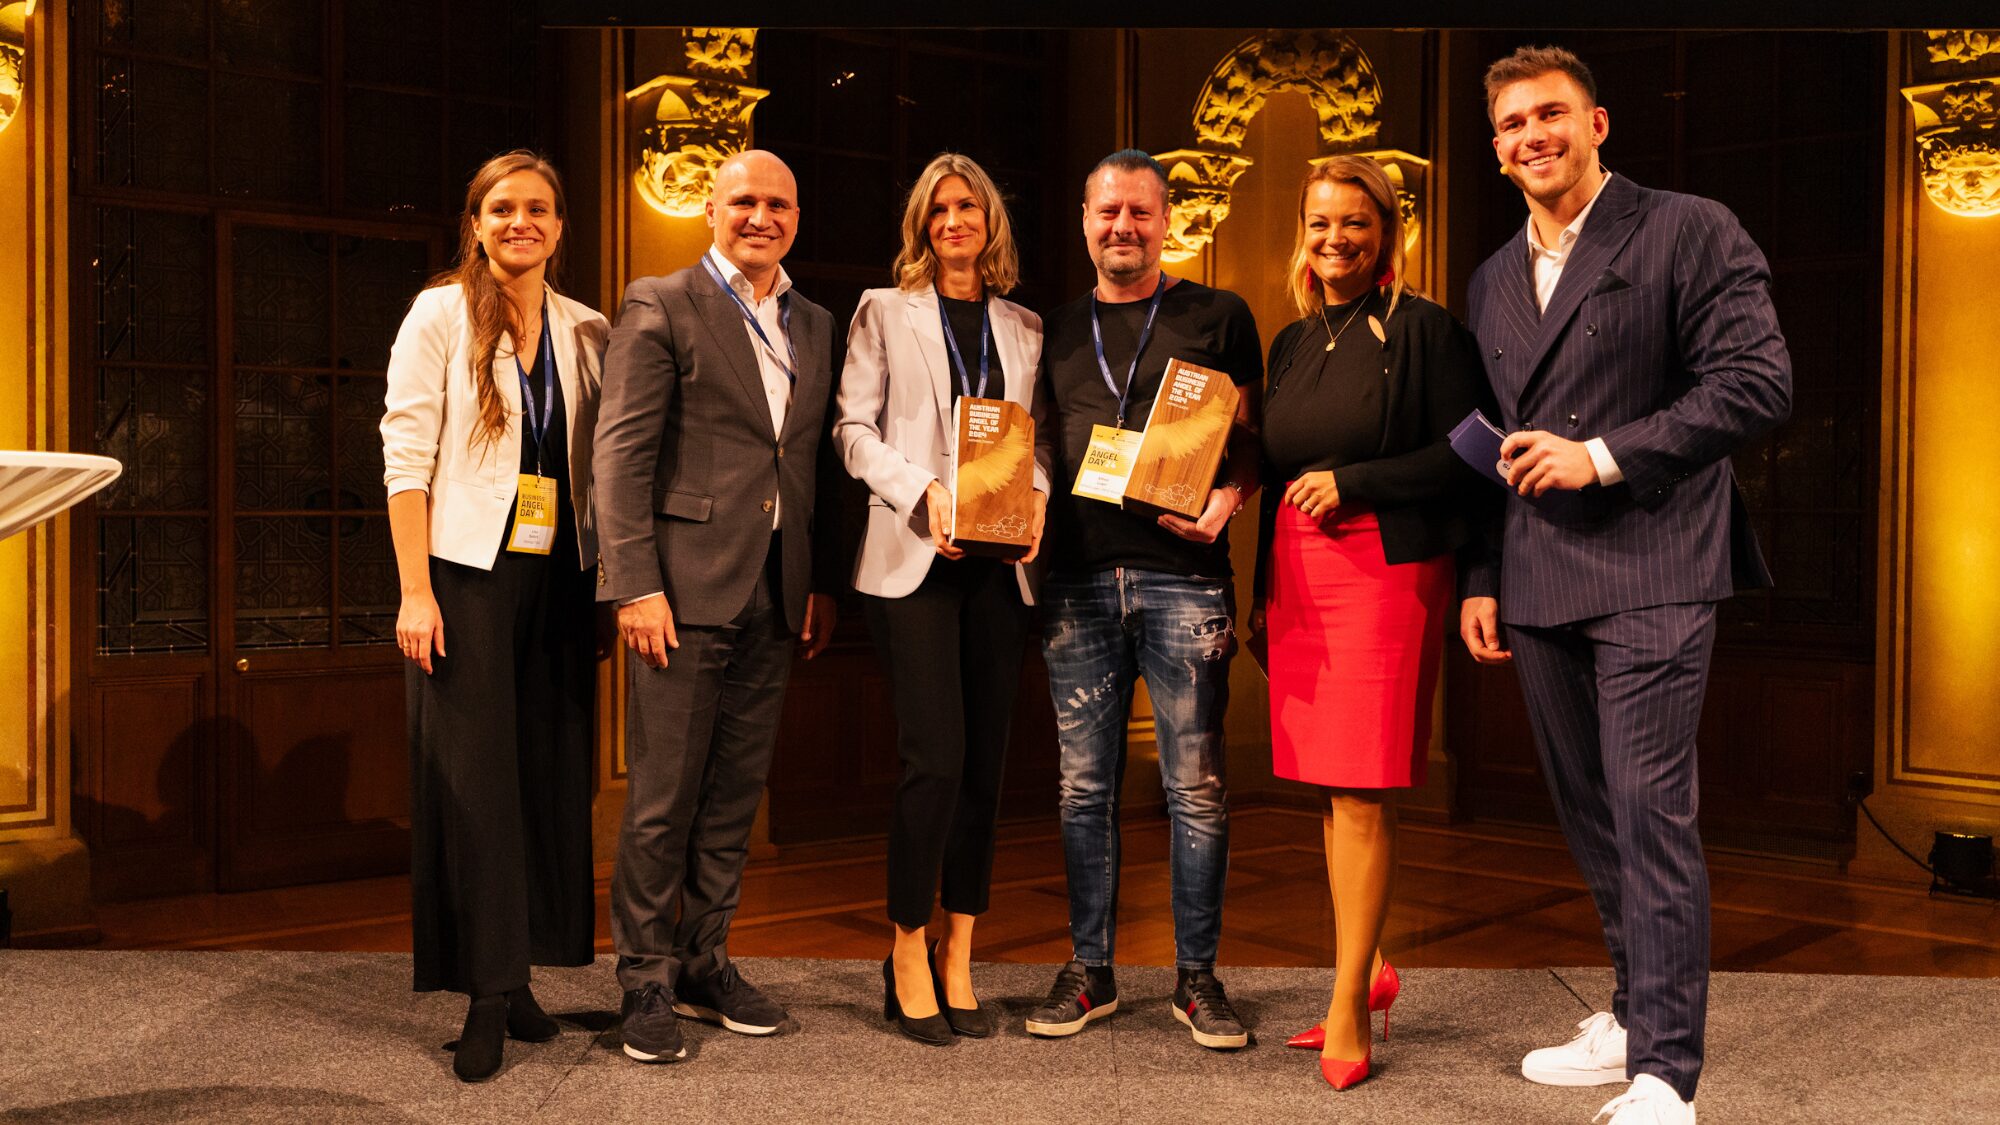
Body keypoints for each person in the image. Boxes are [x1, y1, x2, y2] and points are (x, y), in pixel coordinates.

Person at [1460, 46, 1791, 1125]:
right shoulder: (1491, 275)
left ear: (1596, 122)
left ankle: (1664, 1074)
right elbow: (1501, 442)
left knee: (1649, 814)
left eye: (1548, 114)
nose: (1529, 137)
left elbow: (1755, 383)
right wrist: (1479, 574)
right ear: (1496, 146)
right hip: (1537, 572)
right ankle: (1626, 1008)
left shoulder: (1687, 226)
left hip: (1651, 561)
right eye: (1510, 124)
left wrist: (1597, 454)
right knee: (1590, 813)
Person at [593, 149, 844, 1064]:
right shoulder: (661, 301)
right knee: (662, 797)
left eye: (777, 203)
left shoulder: (814, 322)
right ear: (711, 210)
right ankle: (646, 977)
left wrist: (817, 580)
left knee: (735, 794)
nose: (760, 216)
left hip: (776, 590)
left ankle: (706, 959)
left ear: (797, 216)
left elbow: (805, 461)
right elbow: (619, 455)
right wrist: (634, 582)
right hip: (680, 590)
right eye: (743, 200)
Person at [1251, 156, 1495, 1090]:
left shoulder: (1427, 329)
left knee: (1361, 791)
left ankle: (1351, 999)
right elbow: (1276, 474)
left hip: (1386, 573)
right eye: (1318, 225)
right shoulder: (1291, 338)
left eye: (1354, 224)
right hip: (1301, 573)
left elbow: (1475, 453)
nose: (1334, 241)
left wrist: (1357, 481)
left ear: (1388, 233)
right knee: (1328, 788)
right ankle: (1370, 965)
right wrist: (1260, 596)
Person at [1024, 149, 1262, 1051]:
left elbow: (1253, 443)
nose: (1122, 227)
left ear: (1170, 221)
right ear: (1084, 220)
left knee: (1195, 790)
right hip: (1077, 582)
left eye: (1140, 213)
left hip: (1185, 579)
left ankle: (1197, 978)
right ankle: (1091, 971)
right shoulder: (1048, 326)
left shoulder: (1217, 314)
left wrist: (1227, 502)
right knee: (1083, 789)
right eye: (1106, 212)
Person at [382, 150, 607, 1083]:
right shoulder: (439, 312)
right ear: (474, 221)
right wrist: (415, 588)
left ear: (561, 227)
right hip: (465, 575)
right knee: (476, 785)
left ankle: (520, 980)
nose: (523, 222)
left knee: (548, 776)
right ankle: (481, 990)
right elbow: (405, 457)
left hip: (562, 576)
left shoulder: (589, 327)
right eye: (504, 208)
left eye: (540, 209)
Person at [833, 152, 1050, 1046]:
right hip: (915, 558)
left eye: (968, 206)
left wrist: (1034, 494)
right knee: (937, 760)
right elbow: (852, 430)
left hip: (1000, 565)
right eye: (938, 209)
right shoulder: (884, 311)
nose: (954, 220)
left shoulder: (1027, 325)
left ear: (990, 220)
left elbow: (1033, 440)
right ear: (923, 225)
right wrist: (924, 490)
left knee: (986, 768)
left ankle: (963, 947)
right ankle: (907, 948)